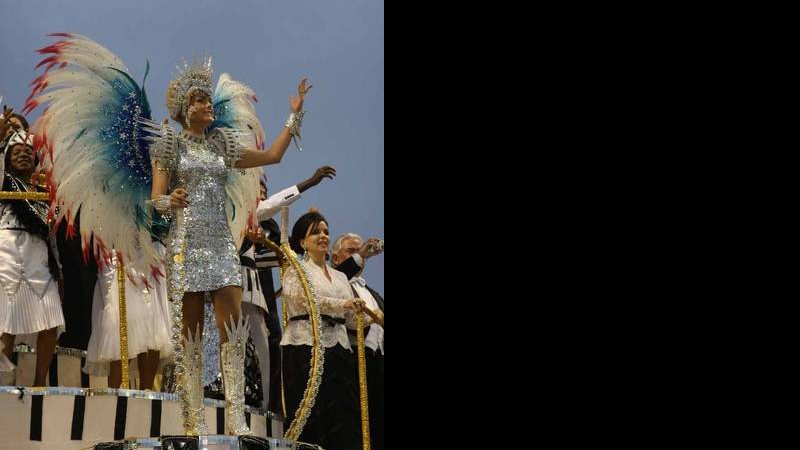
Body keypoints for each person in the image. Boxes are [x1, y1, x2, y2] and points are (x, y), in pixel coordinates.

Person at [27, 34, 311, 436]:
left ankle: (235, 418)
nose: (208, 105)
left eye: (209, 100)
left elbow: (273, 156)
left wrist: (293, 116)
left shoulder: (222, 145)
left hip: (220, 245)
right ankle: (193, 419)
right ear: (183, 109)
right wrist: (170, 200)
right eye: (200, 100)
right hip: (186, 244)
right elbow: (154, 200)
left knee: (232, 332)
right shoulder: (169, 147)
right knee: (190, 336)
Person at [282, 210, 370, 450]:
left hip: (340, 350)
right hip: (305, 348)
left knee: (343, 415)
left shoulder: (341, 276)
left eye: (326, 231)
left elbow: (350, 318)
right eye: (316, 232)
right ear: (302, 242)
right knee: (311, 414)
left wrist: (365, 315)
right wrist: (343, 305)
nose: (323, 236)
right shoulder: (295, 270)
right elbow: (303, 300)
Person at [0, 130, 64, 387]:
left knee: (50, 322)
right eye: (17, 151)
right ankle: (3, 384)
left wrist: (59, 271)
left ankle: (39, 383)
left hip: (38, 256)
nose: (24, 155)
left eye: (29, 151)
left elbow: (53, 232)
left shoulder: (42, 192)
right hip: (7, 252)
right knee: (6, 323)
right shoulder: (4, 181)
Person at [332, 233, 385, 450]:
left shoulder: (373, 292)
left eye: (359, 250)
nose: (359, 255)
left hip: (378, 364)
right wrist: (362, 254)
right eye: (351, 251)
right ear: (336, 258)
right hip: (352, 361)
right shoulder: (334, 280)